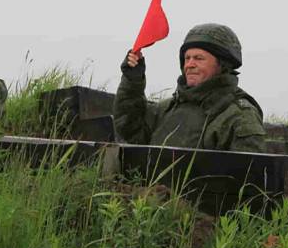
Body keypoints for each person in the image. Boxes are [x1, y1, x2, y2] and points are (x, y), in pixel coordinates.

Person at [114, 23, 266, 152]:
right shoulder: (166, 109)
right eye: (187, 58)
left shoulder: (239, 115)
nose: (190, 64)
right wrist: (132, 81)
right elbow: (131, 131)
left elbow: (249, 172)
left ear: (222, 65)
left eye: (199, 58)